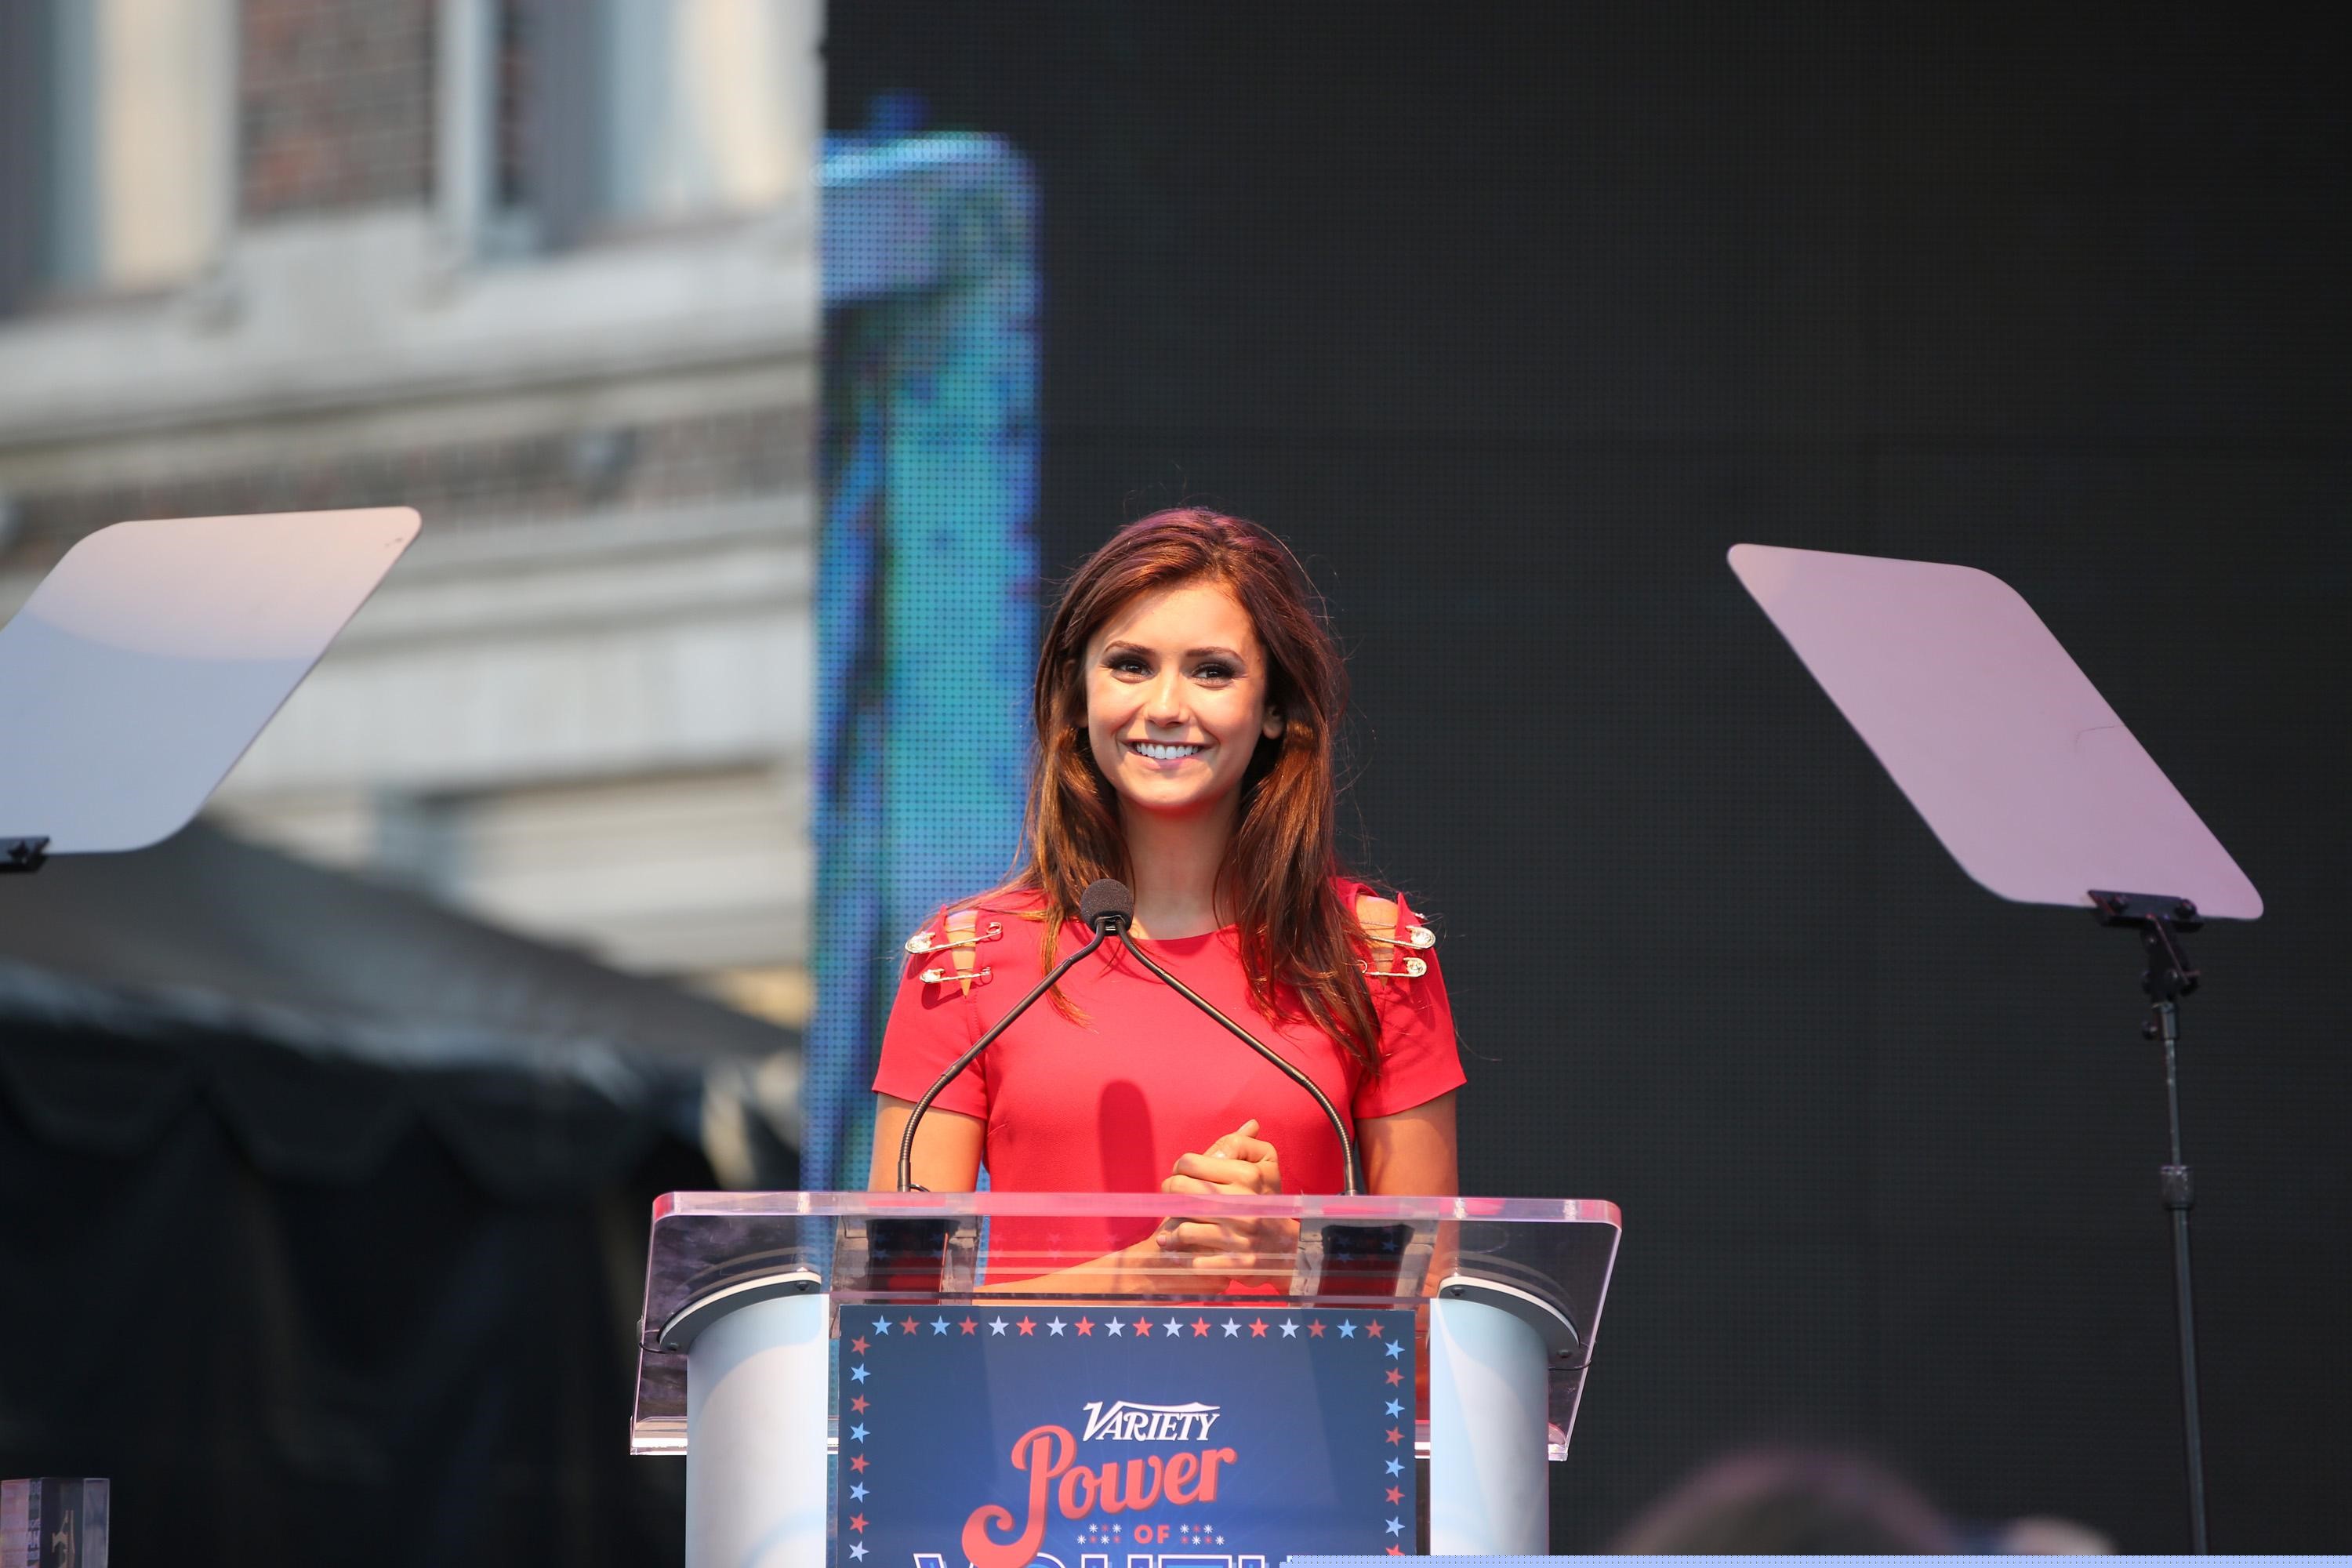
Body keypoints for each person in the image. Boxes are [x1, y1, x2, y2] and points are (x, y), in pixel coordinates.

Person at [866, 509, 1464, 1283]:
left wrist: (1292, 1258)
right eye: (1130, 665)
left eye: (1212, 669)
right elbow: (895, 1318)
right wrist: (1149, 1275)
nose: (1167, 707)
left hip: (1289, 1406)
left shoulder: (1373, 953)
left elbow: (1432, 1327)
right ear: (1076, 697)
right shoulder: (967, 958)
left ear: (1276, 707)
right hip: (1038, 1410)